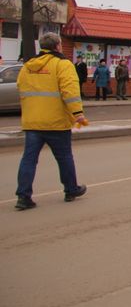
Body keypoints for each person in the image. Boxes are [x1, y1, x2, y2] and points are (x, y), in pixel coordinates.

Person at [14, 33, 88, 210]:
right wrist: (78, 113)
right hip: (56, 121)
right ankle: (71, 189)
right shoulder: (62, 64)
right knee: (64, 157)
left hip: (32, 121)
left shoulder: (28, 66)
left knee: (29, 160)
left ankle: (23, 196)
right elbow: (70, 90)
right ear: (58, 46)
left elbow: (20, 87)